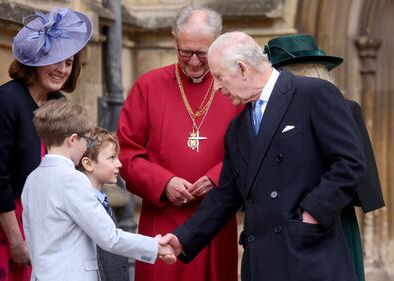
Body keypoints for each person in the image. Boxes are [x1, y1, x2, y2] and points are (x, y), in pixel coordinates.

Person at [161, 31, 367, 281]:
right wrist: (183, 238)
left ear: (242, 68)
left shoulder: (313, 93)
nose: (215, 87)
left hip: (311, 257)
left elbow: (349, 162)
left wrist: (310, 215)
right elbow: (226, 195)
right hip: (261, 264)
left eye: (217, 77)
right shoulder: (237, 129)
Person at [117, 4, 241, 281]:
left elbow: (252, 149)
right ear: (175, 39)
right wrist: (163, 183)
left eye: (202, 53)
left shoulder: (235, 88)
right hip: (163, 219)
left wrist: (216, 177)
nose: (194, 61)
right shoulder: (148, 86)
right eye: (185, 51)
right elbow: (126, 154)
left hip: (216, 220)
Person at [263, 33, 385, 281]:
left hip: (333, 221)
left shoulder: (345, 108)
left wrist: (314, 210)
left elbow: (355, 175)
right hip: (279, 224)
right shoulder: (262, 115)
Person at [21, 98, 176, 281]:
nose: (87, 146)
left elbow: (31, 239)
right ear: (73, 140)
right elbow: (109, 237)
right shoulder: (73, 180)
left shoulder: (32, 179)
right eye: (86, 140)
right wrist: (155, 246)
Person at [0, 7, 92, 281]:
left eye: (69, 62)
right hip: (9, 224)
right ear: (35, 58)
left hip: (47, 225)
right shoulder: (7, 101)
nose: (62, 69)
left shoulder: (60, 105)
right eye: (55, 60)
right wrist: (16, 240)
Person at [77, 127, 130, 281]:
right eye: (112, 158)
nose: (119, 164)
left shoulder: (102, 199)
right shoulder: (85, 204)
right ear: (88, 164)